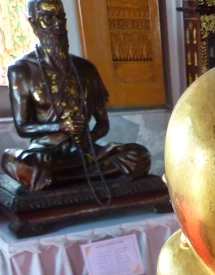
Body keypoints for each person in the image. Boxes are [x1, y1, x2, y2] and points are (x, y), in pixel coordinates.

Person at [2, 0, 151, 191]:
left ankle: (54, 180)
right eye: (47, 18)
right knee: (11, 160)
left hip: (85, 152)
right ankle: (55, 176)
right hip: (47, 153)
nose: (56, 25)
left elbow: (102, 123)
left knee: (139, 155)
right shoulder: (21, 70)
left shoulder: (85, 68)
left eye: (60, 18)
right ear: (33, 23)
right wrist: (61, 126)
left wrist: (88, 137)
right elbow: (23, 127)